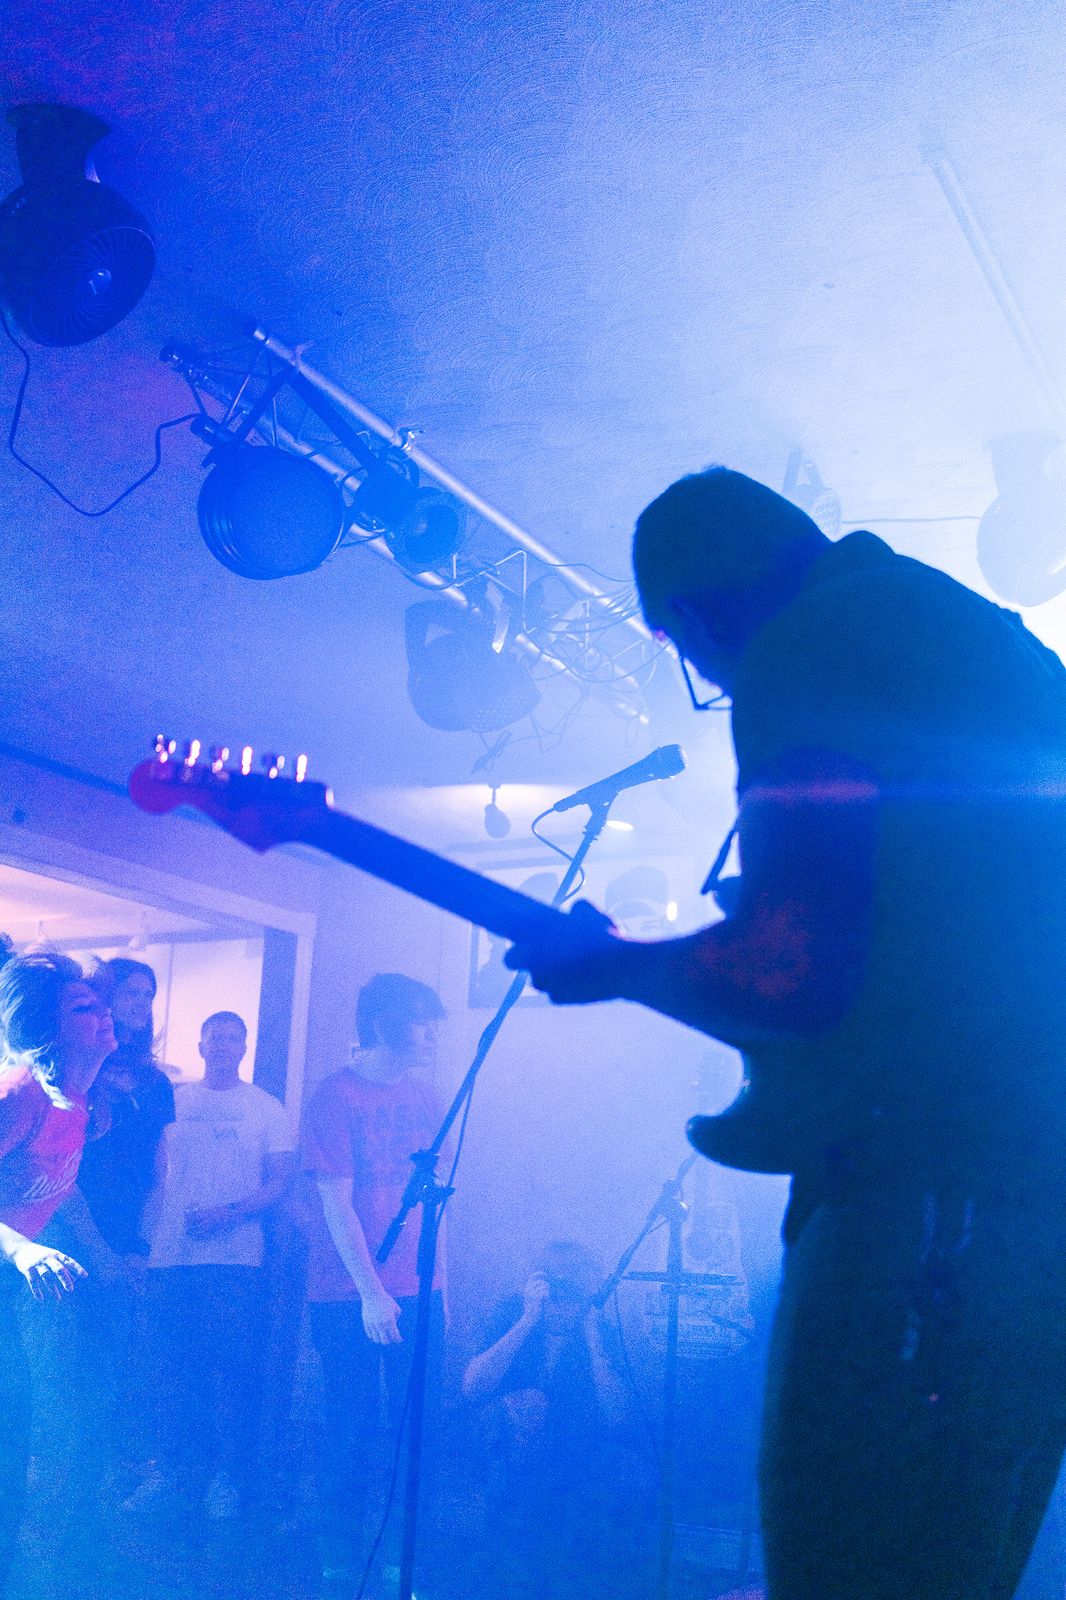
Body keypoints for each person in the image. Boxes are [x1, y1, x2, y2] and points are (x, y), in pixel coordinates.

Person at [506, 466, 1066, 1600]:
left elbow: (789, 975)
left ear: (693, 617)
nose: (713, 679)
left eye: (684, 651)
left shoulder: (807, 647)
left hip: (928, 1193)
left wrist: (617, 964)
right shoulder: (972, 640)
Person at [301, 973, 447, 1591]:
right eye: (420, 1020)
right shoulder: (334, 1097)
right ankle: (342, 1564)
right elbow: (335, 1200)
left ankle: (402, 1563)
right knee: (352, 1428)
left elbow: (436, 1205)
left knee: (417, 1429)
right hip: (347, 1293)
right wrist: (370, 1291)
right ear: (384, 1024)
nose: (432, 1033)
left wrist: (441, 1289)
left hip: (419, 1288)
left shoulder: (429, 1098)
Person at [143, 1010, 295, 1519]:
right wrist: (145, 1239)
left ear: (245, 1047)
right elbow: (155, 1175)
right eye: (217, 1038)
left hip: (236, 1260)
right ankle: (171, 1475)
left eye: (235, 1039)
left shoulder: (266, 1108)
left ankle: (228, 1479)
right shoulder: (174, 1102)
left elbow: (280, 1183)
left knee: (230, 1371)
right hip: (170, 1257)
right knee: (171, 1370)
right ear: (201, 1045)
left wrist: (229, 1214)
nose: (226, 1046)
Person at [0, 951, 116, 1593]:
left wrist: (104, 1257)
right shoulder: (19, 1094)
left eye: (101, 1004)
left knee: (14, 1436)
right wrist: (22, 1251)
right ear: (48, 1027)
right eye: (84, 1007)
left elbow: (58, 1195)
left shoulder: (77, 1103)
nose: (103, 1015)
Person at [463, 1241, 627, 1597]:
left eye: (571, 1300)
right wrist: (526, 1321)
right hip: (508, 1452)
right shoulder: (514, 1312)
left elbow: (616, 1415)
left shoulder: (598, 1328)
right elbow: (472, 1387)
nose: (560, 1310)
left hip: (572, 1451)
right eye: (554, 1297)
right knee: (522, 1407)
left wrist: (594, 1343)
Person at [79, 957, 175, 1257]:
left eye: (148, 995)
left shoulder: (155, 1082)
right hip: (73, 1222)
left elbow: (158, 1173)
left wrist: (142, 1245)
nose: (142, 1002)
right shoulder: (80, 1067)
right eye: (131, 992)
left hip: (129, 1227)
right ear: (106, 996)